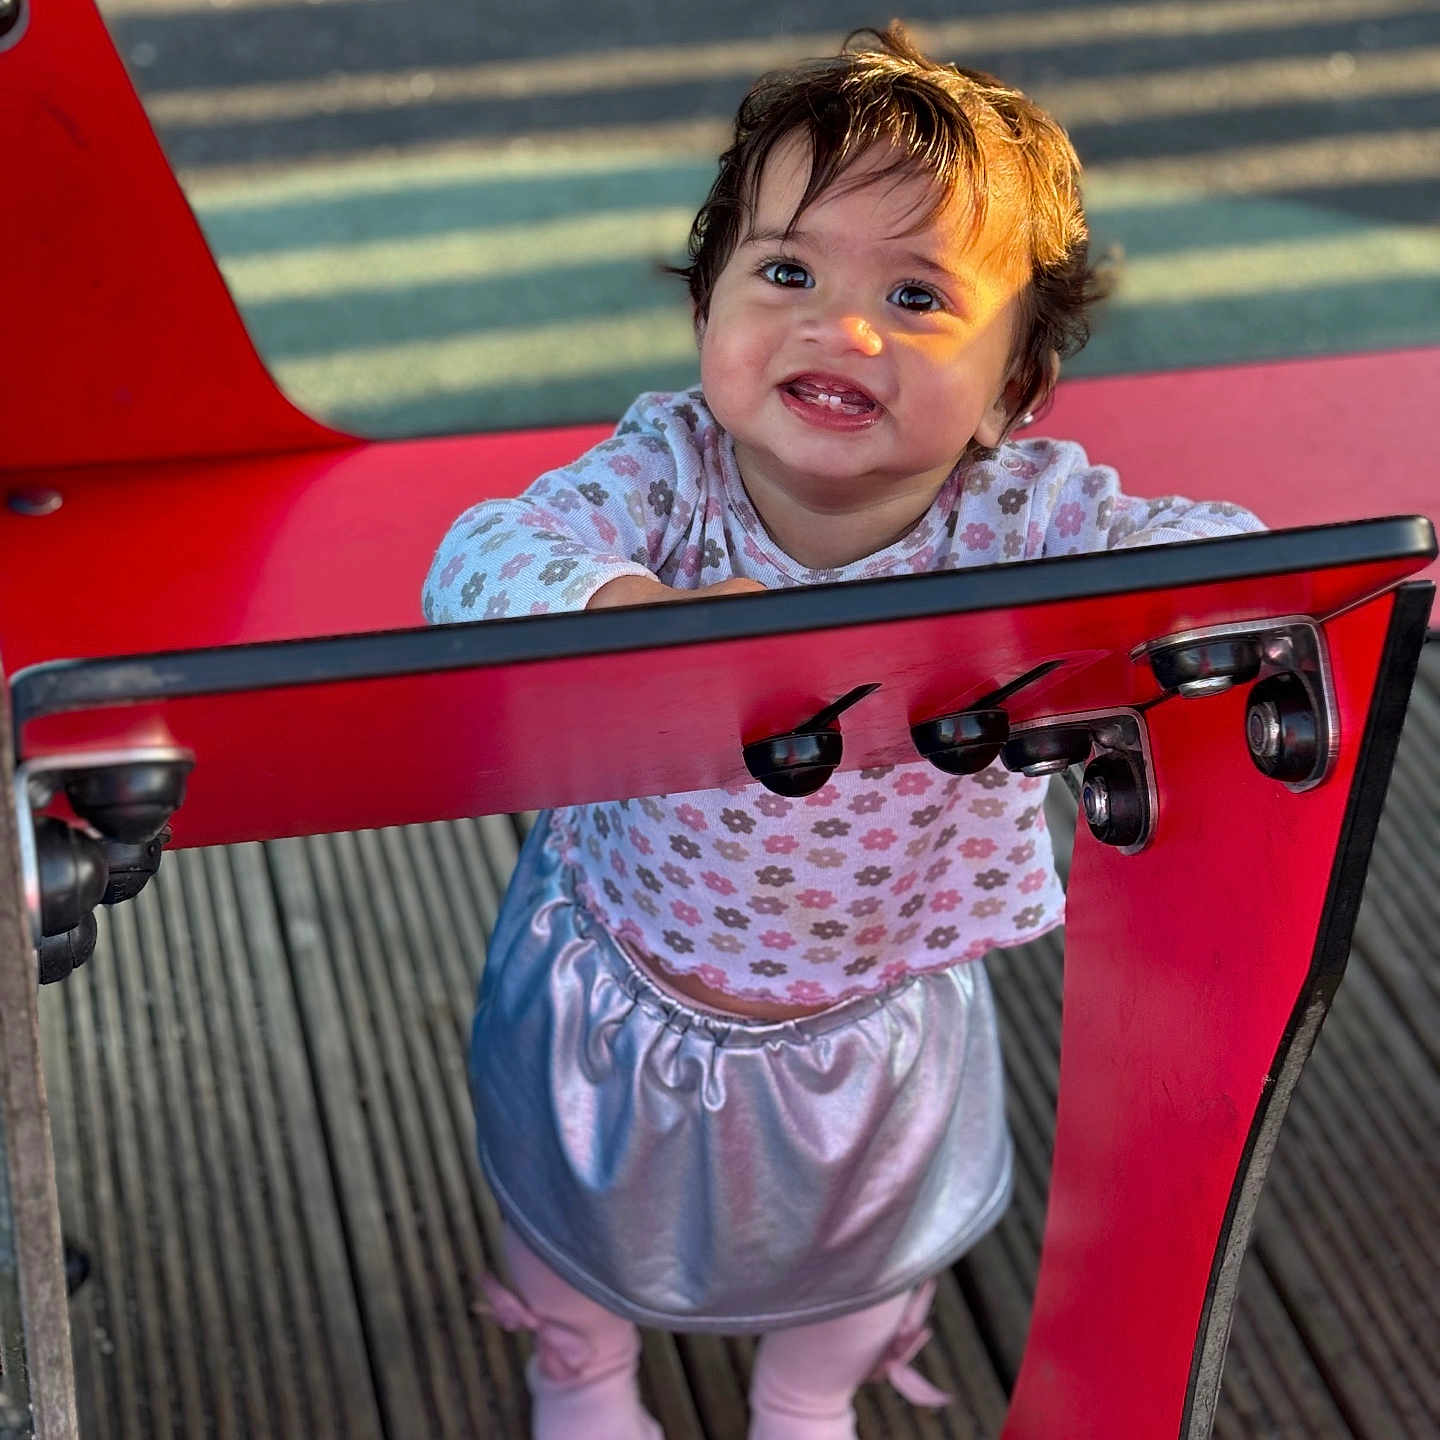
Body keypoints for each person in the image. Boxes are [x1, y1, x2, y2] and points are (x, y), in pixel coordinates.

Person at [423, 24, 1261, 1439]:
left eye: (919, 295)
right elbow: (480, 555)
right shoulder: (670, 476)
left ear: (1012, 393)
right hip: (626, 975)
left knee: (868, 1255)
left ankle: (809, 1401)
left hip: (873, 1008)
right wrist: (624, 606)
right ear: (709, 315)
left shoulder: (1023, 520)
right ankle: (581, 1372)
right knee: (567, 1216)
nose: (839, 326)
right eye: (789, 271)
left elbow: (1209, 556)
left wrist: (1196, 609)